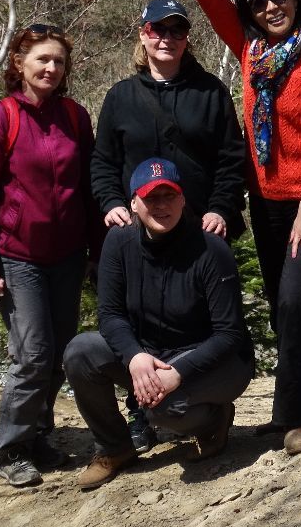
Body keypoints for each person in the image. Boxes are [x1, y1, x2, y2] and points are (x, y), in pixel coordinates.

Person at [188, 0, 301, 457]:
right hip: (266, 199)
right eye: (259, 2)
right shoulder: (251, 52)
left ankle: (295, 416)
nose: (271, 6)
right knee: (281, 306)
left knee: (296, 300)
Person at [91, 0, 247, 452]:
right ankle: (137, 415)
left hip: (199, 233)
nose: (168, 38)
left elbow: (230, 160)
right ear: (144, 34)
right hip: (140, 229)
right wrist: (111, 202)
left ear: (187, 39)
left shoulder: (210, 92)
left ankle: (197, 399)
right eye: (158, 29)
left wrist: (221, 208)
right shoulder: (121, 97)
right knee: (139, 319)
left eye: (177, 30)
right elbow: (103, 161)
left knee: (197, 321)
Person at [64, 158, 254, 491]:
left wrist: (177, 374)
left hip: (217, 360)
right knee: (81, 351)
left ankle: (214, 419)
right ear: (134, 203)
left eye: (170, 196)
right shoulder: (118, 243)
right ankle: (115, 447)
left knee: (162, 410)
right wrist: (135, 357)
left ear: (183, 199)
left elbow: (230, 334)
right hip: (151, 353)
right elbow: (109, 314)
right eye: (152, 198)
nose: (161, 205)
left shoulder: (210, 249)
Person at [0, 24, 102, 486]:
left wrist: (96, 250)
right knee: (32, 352)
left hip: (67, 254)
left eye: (58, 61)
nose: (51, 68)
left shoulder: (74, 117)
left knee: (59, 351)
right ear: (19, 64)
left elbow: (88, 188)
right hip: (17, 256)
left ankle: (39, 435)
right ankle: (12, 448)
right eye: (42, 59)